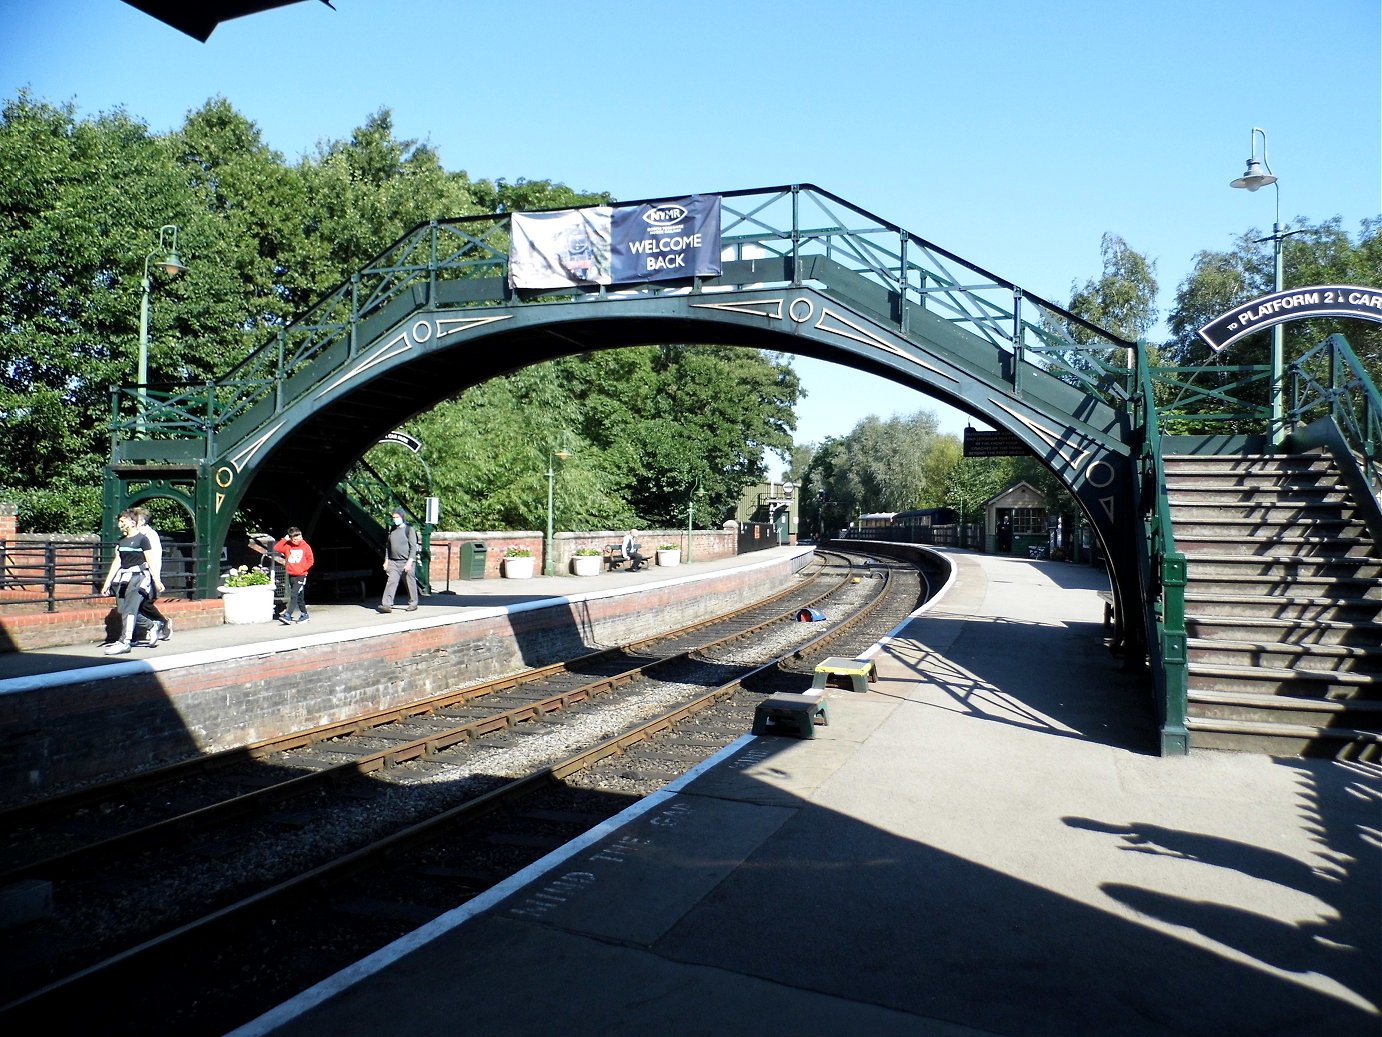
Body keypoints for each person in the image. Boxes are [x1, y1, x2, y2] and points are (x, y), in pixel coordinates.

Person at [99, 509, 158, 655]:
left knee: (130, 610)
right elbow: (117, 562)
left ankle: (125, 642)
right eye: (119, 521)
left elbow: (151, 561)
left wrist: (157, 580)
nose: (119, 524)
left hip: (138, 577)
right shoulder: (122, 541)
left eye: (122, 521)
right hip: (124, 578)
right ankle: (152, 625)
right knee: (122, 610)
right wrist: (107, 583)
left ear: (132, 523)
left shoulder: (142, 540)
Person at [253, 527, 315, 624]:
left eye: (299, 537)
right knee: (299, 596)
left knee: (294, 594)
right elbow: (276, 548)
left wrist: (303, 569)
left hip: (301, 575)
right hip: (291, 574)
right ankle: (304, 614)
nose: (298, 540)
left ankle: (288, 615)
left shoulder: (305, 546)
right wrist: (285, 539)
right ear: (290, 538)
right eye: (295, 539)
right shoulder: (287, 546)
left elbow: (310, 560)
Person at [131, 506, 170, 645]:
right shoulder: (134, 534)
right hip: (135, 574)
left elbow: (153, 557)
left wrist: (155, 577)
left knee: (145, 605)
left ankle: (162, 623)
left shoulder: (150, 535)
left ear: (141, 520)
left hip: (147, 575)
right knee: (136, 605)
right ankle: (133, 636)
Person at [378, 508, 419, 613]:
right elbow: (388, 547)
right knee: (391, 582)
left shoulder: (409, 530)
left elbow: (413, 547)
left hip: (406, 561)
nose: (395, 519)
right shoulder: (392, 530)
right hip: (394, 562)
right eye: (394, 517)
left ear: (402, 517)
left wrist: (410, 562)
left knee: (410, 583)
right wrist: (386, 560)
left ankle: (413, 603)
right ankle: (386, 605)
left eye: (397, 517)